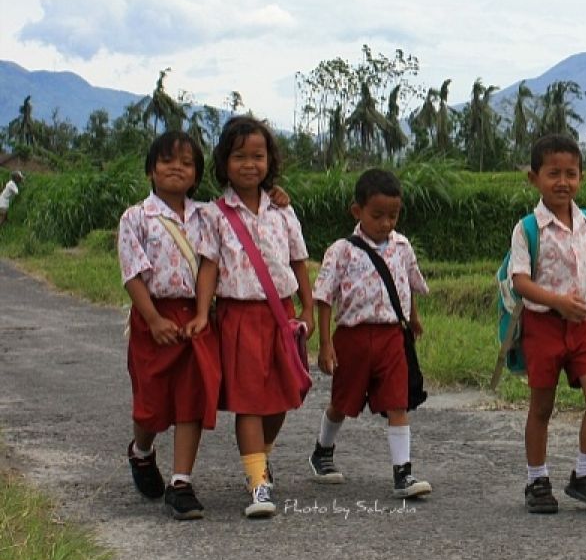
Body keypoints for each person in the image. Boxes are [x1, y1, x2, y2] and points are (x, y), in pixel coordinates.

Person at [192, 116, 314, 519]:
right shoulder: (214, 214)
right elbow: (208, 267)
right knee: (249, 402)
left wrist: (309, 308)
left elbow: (299, 261)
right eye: (240, 156)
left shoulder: (283, 210)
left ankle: (261, 457)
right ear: (224, 162)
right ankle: (258, 484)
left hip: (281, 315)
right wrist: (200, 313)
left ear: (270, 161)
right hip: (239, 315)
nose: (250, 164)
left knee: (282, 396)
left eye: (258, 156)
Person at [508, 134, 586, 515]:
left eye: (571, 173)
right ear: (534, 178)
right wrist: (558, 302)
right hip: (544, 326)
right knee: (542, 407)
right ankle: (537, 479)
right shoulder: (528, 229)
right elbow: (520, 280)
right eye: (553, 174)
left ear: (581, 176)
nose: (563, 182)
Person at [310, 168, 432, 498]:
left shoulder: (402, 246)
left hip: (392, 336)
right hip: (353, 338)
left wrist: (413, 319)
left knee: (397, 402)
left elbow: (407, 284)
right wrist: (325, 345)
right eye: (377, 215)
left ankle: (403, 472)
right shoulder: (341, 250)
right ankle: (323, 449)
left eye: (393, 215)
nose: (386, 223)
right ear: (357, 211)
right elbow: (323, 297)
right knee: (342, 402)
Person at [117, 133, 221, 520]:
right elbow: (132, 274)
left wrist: (201, 312)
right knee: (151, 403)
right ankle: (141, 451)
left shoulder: (207, 215)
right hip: (152, 317)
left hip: (194, 317)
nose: (176, 167)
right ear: (150, 170)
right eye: (166, 160)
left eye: (187, 162)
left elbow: (210, 262)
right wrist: (154, 320)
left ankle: (181, 482)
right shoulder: (135, 217)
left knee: (191, 395)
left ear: (196, 174)